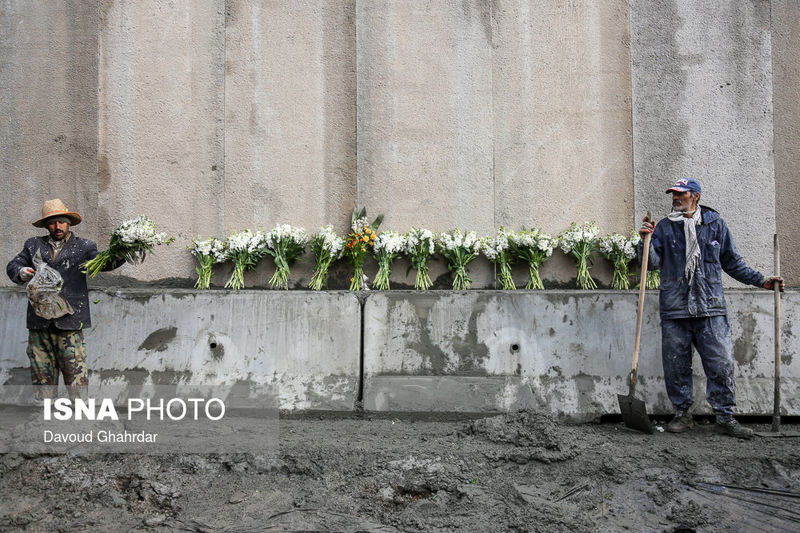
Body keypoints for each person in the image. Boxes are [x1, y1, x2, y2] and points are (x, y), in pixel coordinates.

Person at [639, 179, 784, 439]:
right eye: (673, 195)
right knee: (675, 364)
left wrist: (762, 280)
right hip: (675, 308)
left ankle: (724, 417)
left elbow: (732, 263)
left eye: (680, 195)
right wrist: (645, 241)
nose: (675, 198)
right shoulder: (664, 227)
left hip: (710, 308)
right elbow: (651, 264)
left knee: (721, 364)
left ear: (695, 196)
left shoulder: (715, 225)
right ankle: (682, 414)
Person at [6, 199, 123, 400]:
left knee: (74, 371)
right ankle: (45, 417)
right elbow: (13, 266)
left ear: (68, 222)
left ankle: (77, 417)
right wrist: (21, 272)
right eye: (52, 222)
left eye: (61, 221)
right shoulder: (33, 245)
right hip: (39, 322)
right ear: (45, 225)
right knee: (42, 371)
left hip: (69, 321)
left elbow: (103, 263)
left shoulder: (85, 247)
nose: (57, 226)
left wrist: (122, 252)